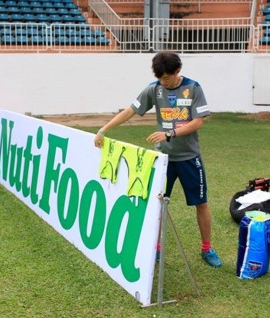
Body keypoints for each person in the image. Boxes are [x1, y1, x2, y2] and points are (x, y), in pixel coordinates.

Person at [93, 51, 222, 268]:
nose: (163, 82)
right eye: (160, 78)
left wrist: (169, 133)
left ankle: (207, 248)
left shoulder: (193, 88)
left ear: (177, 71)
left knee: (201, 203)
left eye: (167, 78)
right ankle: (157, 249)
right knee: (158, 205)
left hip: (189, 158)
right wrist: (103, 130)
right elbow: (130, 111)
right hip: (163, 160)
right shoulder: (155, 88)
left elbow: (199, 121)